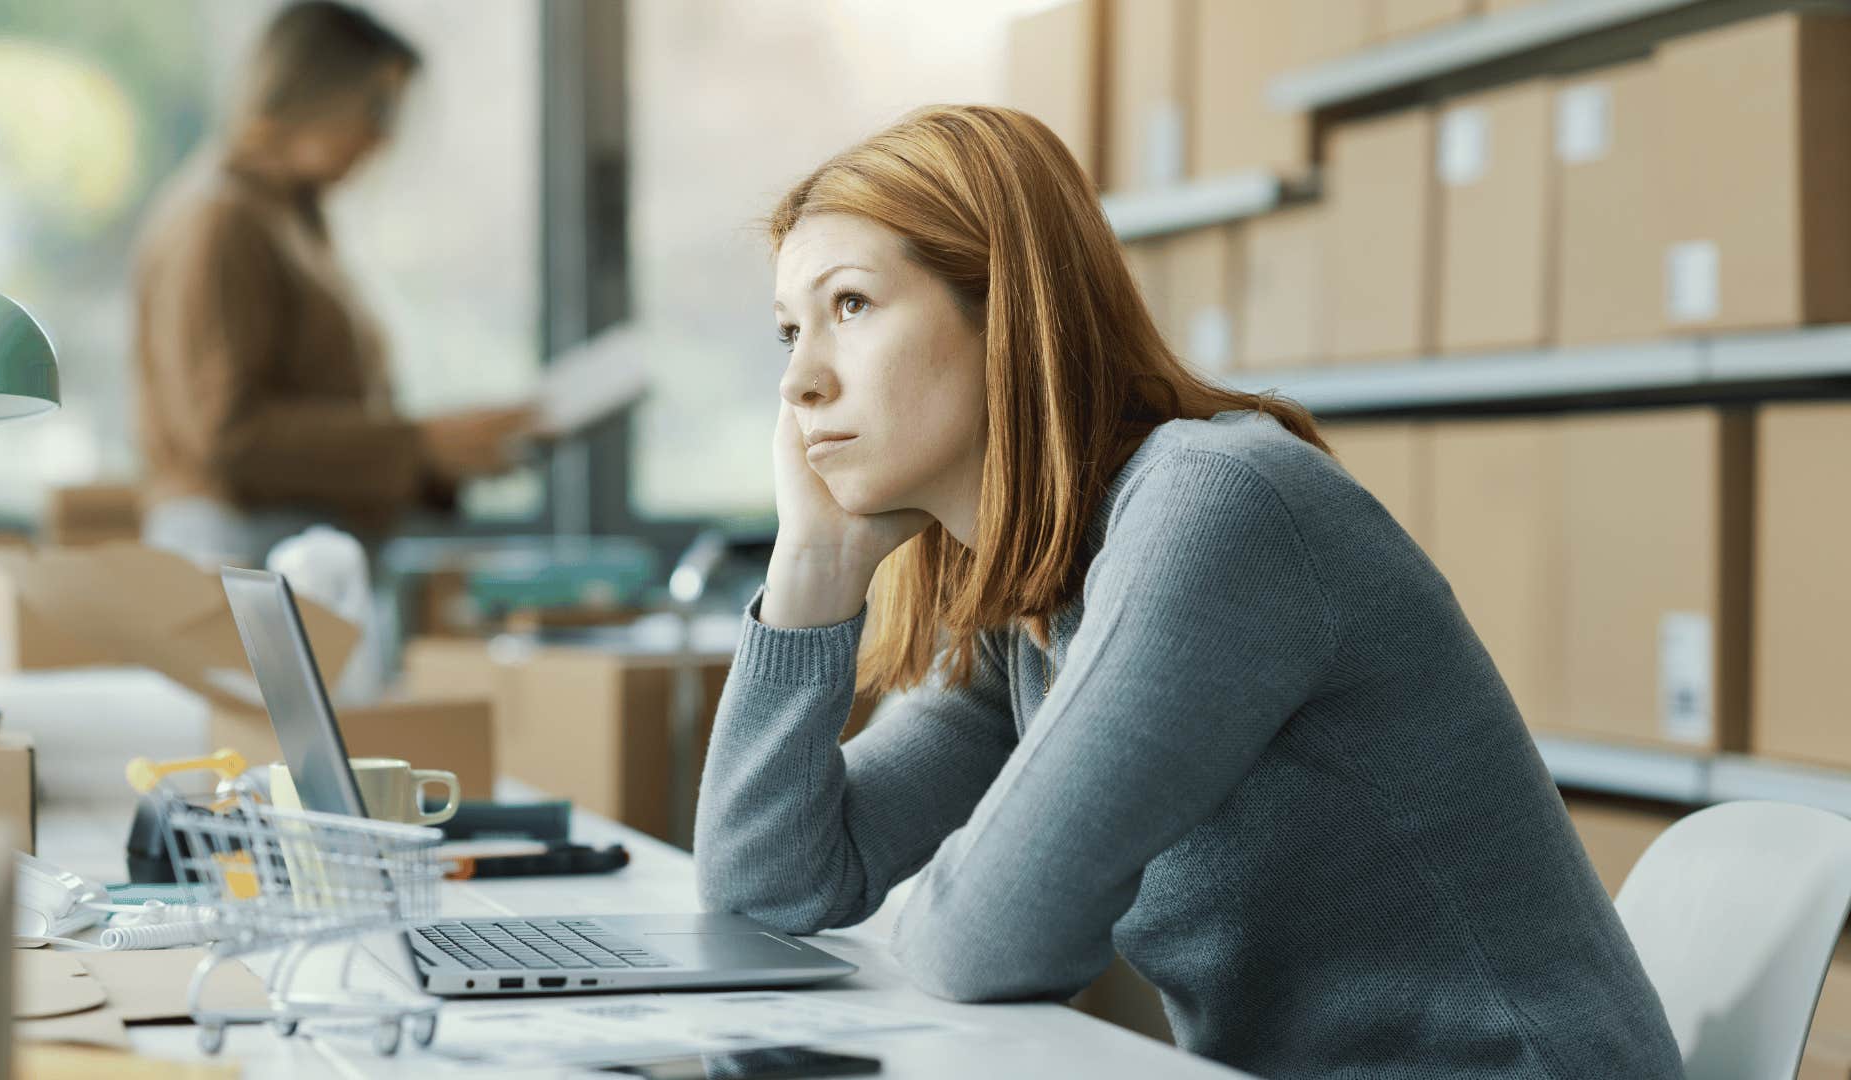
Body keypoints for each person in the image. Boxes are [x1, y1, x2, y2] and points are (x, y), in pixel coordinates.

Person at [692, 105, 1684, 1079]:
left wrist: (954, 905)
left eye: (851, 306)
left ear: (1007, 313)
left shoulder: (1214, 508)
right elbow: (768, 885)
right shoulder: (1039, 589)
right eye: (789, 331)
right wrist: (811, 574)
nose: (800, 383)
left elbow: (982, 943)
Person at [131, 0, 534, 565]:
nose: (381, 138)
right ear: (312, 90)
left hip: (299, 546)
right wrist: (420, 445)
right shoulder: (221, 221)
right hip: (246, 549)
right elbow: (228, 434)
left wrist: (446, 455)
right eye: (376, 108)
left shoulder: (291, 219)